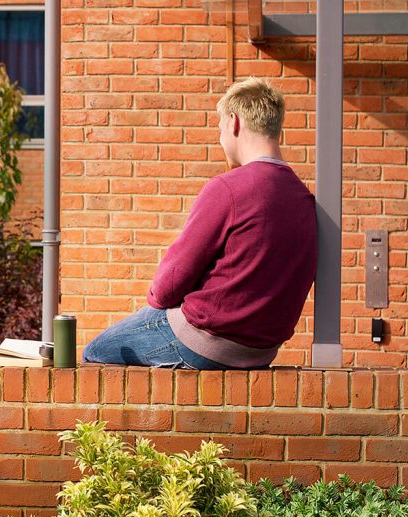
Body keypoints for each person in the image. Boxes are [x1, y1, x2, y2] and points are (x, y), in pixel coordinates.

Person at [83, 77, 317, 370]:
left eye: (219, 129)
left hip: (204, 340)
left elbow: (167, 288)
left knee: (94, 354)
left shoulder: (229, 188)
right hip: (262, 351)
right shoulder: (304, 198)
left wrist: (158, 298)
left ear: (233, 122)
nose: (221, 139)